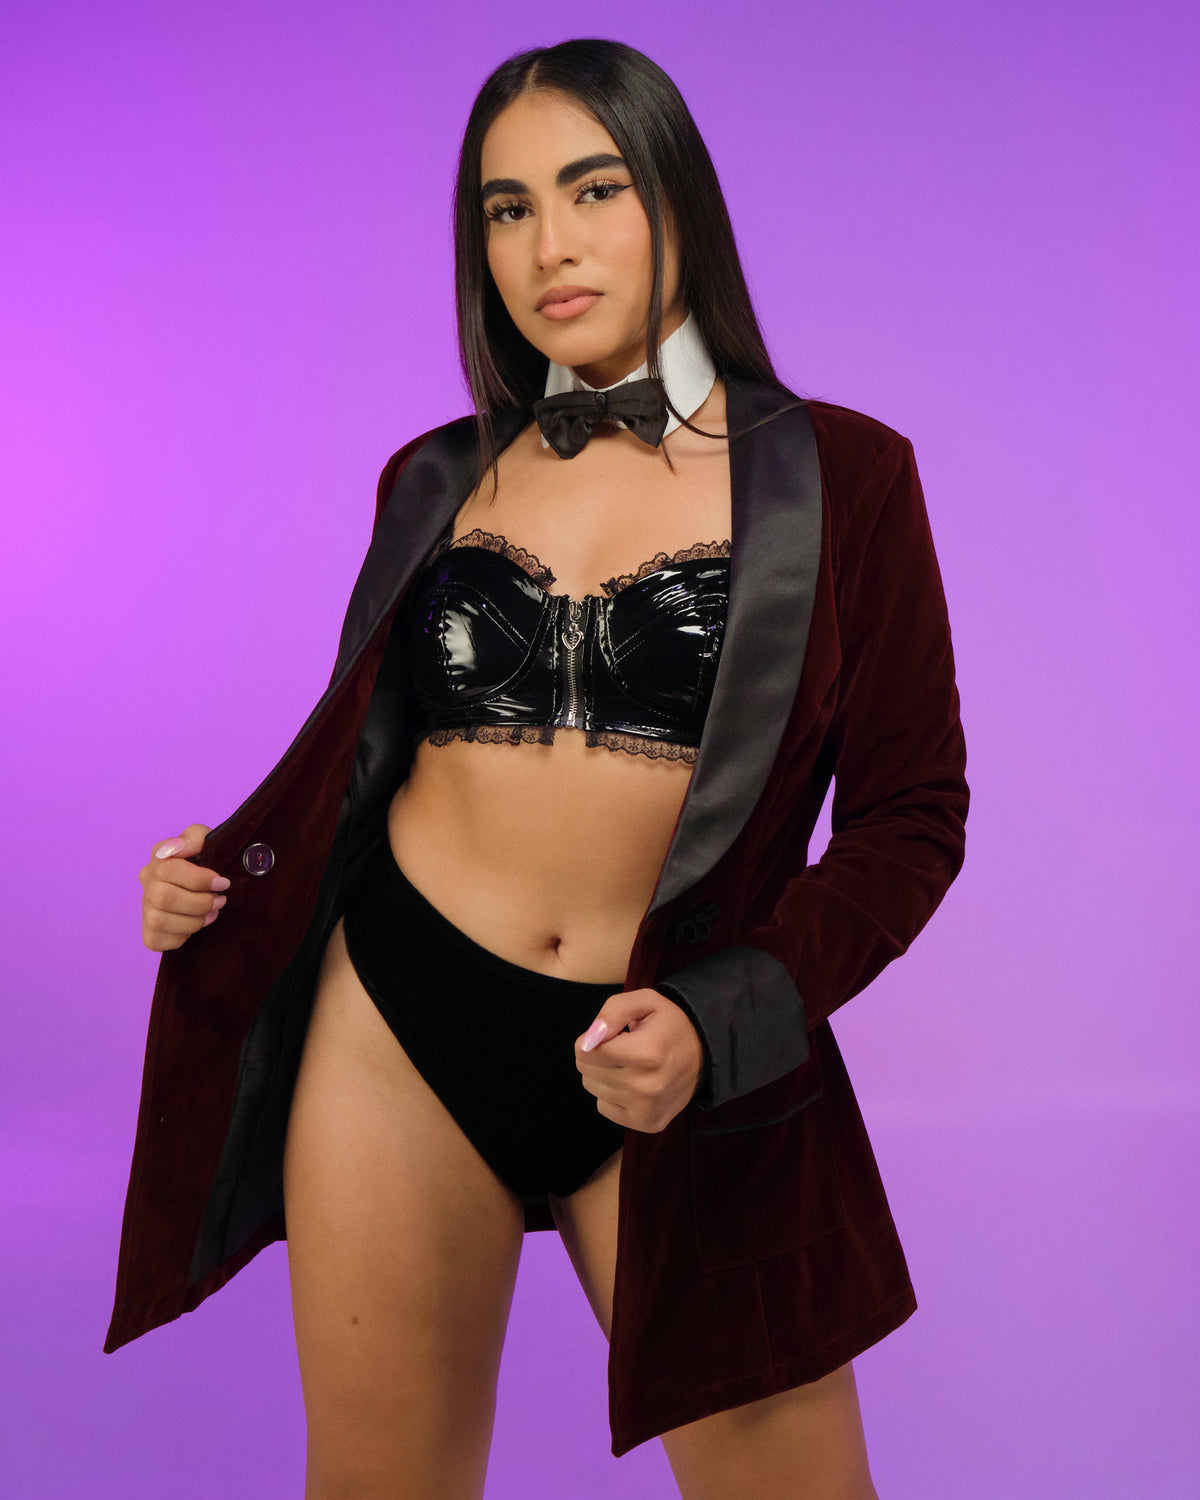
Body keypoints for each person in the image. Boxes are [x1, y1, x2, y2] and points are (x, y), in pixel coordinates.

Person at [115, 38, 968, 1500]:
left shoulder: (848, 475)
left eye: (593, 189)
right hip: (397, 1019)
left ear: (677, 200)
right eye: (505, 209)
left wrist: (722, 1020)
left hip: (672, 1046)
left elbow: (912, 820)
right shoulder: (433, 477)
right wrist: (217, 881)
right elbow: (361, 760)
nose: (548, 245)